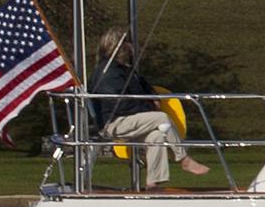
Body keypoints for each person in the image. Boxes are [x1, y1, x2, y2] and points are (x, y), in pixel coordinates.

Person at [88, 30, 210, 188]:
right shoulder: (108, 73)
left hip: (129, 118)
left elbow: (144, 86)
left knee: (157, 136)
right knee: (162, 118)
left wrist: (153, 97)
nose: (131, 47)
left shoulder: (125, 70)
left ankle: (153, 183)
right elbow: (120, 104)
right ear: (118, 47)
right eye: (127, 44)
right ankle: (183, 159)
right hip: (114, 122)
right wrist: (150, 106)